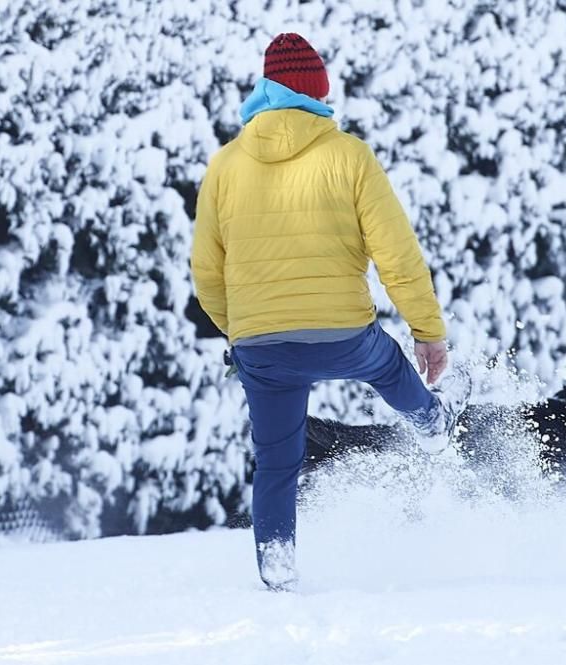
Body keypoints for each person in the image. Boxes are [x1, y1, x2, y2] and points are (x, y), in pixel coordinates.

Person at [190, 33, 470, 591]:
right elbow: (397, 256)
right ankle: (432, 424)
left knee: (277, 461)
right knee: (388, 366)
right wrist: (428, 334)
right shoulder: (349, 155)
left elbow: (205, 271)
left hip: (261, 346)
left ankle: (276, 566)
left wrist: (241, 334)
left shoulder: (225, 164)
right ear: (319, 92)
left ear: (264, 94)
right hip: (342, 332)